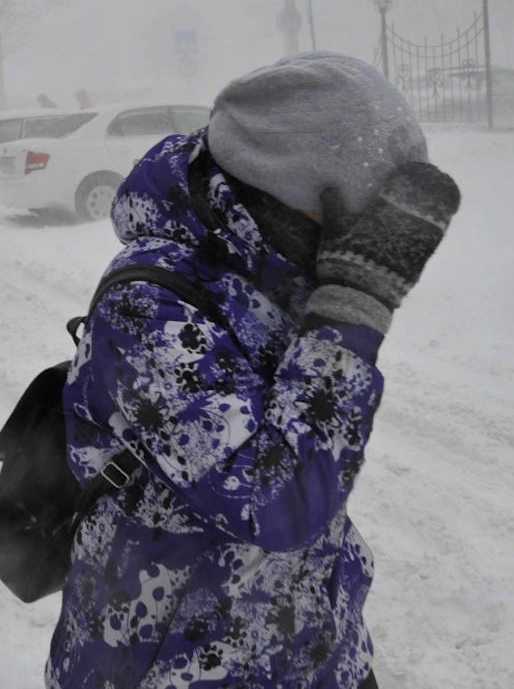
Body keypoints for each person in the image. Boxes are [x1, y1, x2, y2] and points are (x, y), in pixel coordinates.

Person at [47, 51, 461, 689]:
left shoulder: (279, 268)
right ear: (293, 191)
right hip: (171, 667)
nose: (373, 231)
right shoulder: (149, 304)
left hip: (314, 652)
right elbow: (279, 501)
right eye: (363, 208)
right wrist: (353, 311)